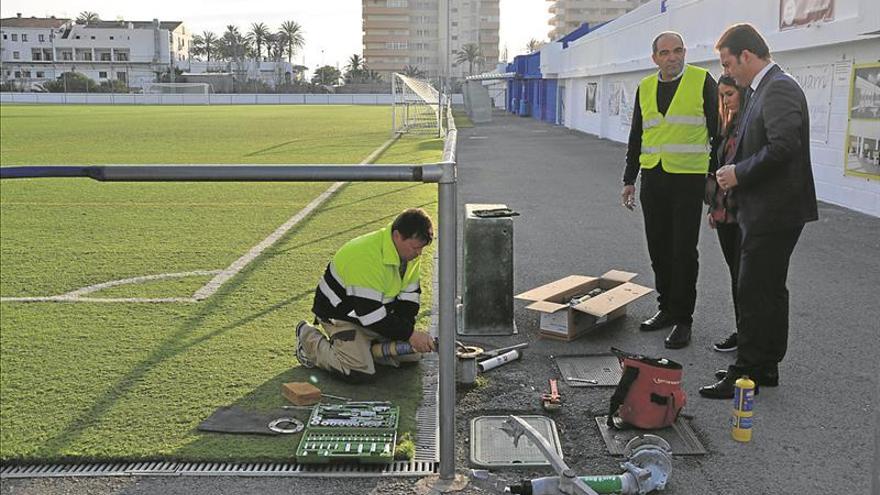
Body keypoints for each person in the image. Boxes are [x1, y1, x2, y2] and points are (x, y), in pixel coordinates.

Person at [700, 23, 818, 399]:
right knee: (768, 289)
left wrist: (738, 173)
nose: (727, 71)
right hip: (768, 209)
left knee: (753, 290)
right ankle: (766, 365)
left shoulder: (778, 88)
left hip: (775, 210)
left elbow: (784, 147)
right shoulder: (761, 89)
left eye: (728, 62)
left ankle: (745, 370)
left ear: (746, 56)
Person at [621, 31, 718, 349]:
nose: (672, 57)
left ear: (684, 52)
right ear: (655, 58)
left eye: (678, 51)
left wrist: (712, 175)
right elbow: (637, 135)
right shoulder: (645, 87)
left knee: (684, 251)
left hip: (688, 180)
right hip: (654, 178)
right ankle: (665, 309)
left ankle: (683, 320)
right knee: (659, 249)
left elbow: (718, 132)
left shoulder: (703, 81)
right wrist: (629, 179)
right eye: (665, 52)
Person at [295, 208, 436, 383]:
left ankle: (368, 348)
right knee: (359, 371)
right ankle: (308, 338)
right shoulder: (366, 256)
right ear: (397, 235)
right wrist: (410, 335)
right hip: (341, 316)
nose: (419, 254)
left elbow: (409, 300)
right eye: (415, 247)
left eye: (421, 248)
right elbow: (370, 314)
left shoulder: (408, 255)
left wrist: (407, 332)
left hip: (371, 315)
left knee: (412, 354)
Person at [706, 75, 746, 353]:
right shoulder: (726, 125)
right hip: (724, 215)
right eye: (721, 95)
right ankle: (742, 330)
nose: (725, 100)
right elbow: (718, 166)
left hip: (745, 215)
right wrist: (713, 207)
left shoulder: (751, 126)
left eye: (730, 94)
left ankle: (750, 337)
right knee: (736, 276)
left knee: (748, 279)